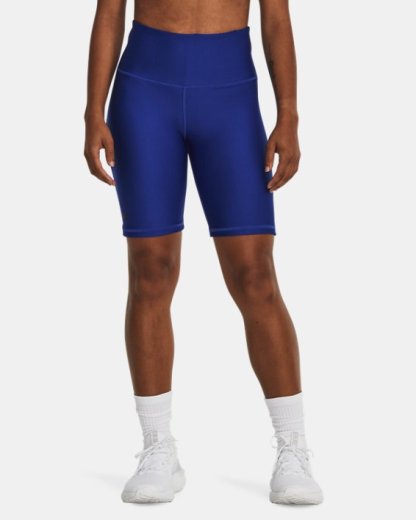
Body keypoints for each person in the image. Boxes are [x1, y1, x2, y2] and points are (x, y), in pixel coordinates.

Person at [84, 0, 323, 505]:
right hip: (144, 91)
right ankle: (157, 448)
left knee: (255, 275)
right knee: (150, 271)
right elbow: (109, 11)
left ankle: (293, 448)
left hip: (230, 95)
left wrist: (289, 115)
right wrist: (92, 111)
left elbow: (276, 17)